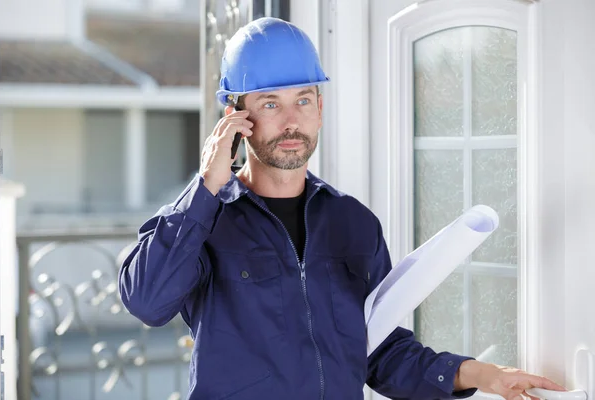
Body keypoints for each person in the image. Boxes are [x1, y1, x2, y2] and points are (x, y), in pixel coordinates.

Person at [119, 17, 565, 400]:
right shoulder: (204, 221)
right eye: (270, 103)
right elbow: (146, 301)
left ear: (320, 108)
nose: (291, 120)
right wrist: (207, 185)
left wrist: (481, 374)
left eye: (303, 100)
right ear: (236, 118)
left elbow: (378, 350)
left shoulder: (352, 223)